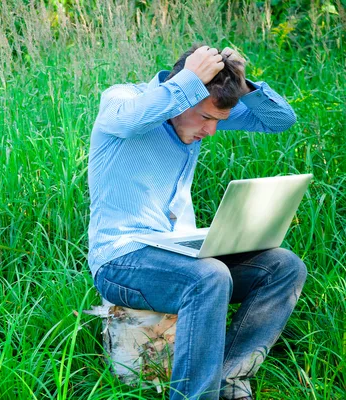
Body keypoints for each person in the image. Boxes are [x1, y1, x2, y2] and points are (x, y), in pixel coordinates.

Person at [87, 44, 307, 400]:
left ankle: (229, 379)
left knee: (284, 267)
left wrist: (239, 83)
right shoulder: (124, 99)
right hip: (121, 260)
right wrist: (190, 80)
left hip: (179, 255)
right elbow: (129, 120)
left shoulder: (203, 105)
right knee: (209, 276)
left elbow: (281, 120)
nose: (212, 131)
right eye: (206, 118)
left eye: (217, 121)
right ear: (183, 96)